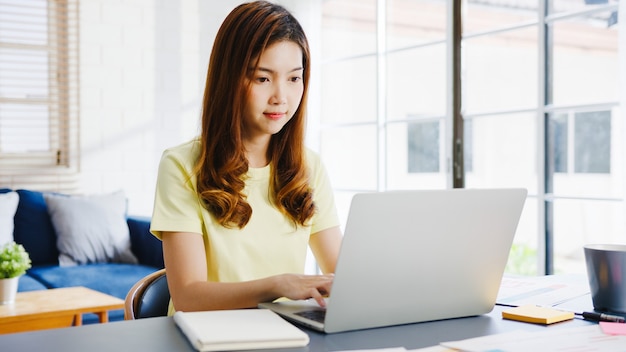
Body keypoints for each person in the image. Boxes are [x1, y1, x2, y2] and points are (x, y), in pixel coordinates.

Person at [150, 1, 343, 314]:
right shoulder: (182, 165)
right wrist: (279, 286)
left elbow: (343, 274)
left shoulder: (309, 168)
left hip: (286, 337)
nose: (281, 96)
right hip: (206, 338)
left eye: (294, 78)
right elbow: (188, 296)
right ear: (229, 80)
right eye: (262, 78)